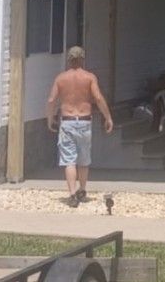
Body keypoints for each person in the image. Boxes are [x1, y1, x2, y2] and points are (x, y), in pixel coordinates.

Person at [46, 45, 114, 205]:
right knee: (83, 159)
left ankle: (72, 194)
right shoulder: (89, 77)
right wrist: (108, 117)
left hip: (68, 121)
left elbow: (51, 100)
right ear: (82, 59)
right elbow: (97, 98)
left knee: (69, 160)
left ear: (69, 60)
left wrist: (50, 118)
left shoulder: (61, 78)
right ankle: (82, 190)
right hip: (84, 120)